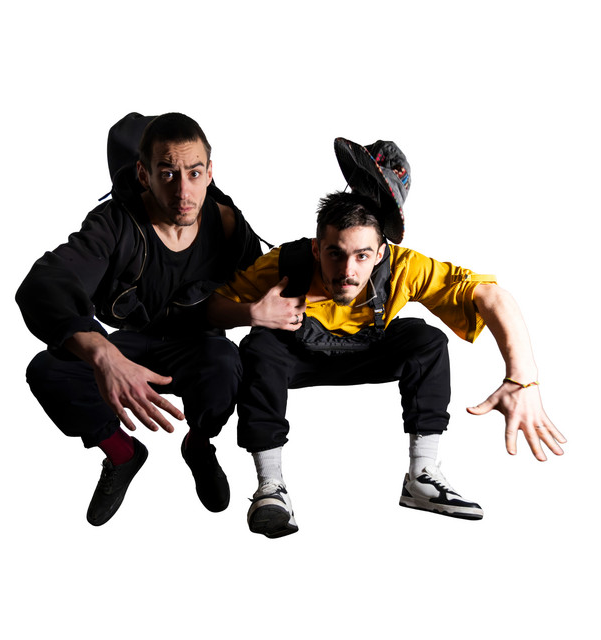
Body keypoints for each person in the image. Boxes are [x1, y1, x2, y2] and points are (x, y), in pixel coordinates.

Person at [207, 137, 567, 538]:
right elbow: (212, 307)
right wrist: (252, 313)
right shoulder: (284, 264)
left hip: (368, 353)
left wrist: (523, 376)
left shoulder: (403, 267)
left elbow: (490, 295)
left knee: (426, 339)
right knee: (259, 344)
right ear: (316, 249)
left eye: (362, 255)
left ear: (380, 254)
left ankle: (422, 476)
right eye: (335, 253)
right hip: (295, 360)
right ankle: (270, 488)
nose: (348, 270)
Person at [16, 112, 263, 526]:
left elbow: (271, 277)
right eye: (167, 173)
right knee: (47, 371)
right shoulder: (115, 222)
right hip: (131, 344)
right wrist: (103, 355)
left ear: (209, 173)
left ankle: (198, 445)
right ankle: (122, 454)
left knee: (227, 363)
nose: (183, 190)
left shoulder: (225, 222)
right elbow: (45, 282)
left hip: (198, 347)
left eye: (193, 173)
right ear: (144, 175)